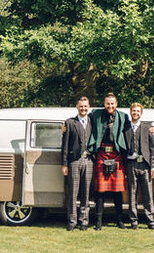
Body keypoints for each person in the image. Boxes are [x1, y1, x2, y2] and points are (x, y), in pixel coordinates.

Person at [87, 92, 129, 230]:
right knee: (100, 190)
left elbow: (133, 128)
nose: (110, 106)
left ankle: (119, 221)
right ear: (104, 104)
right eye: (107, 104)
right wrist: (66, 125)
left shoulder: (123, 117)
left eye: (112, 104)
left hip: (116, 154)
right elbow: (81, 120)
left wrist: (150, 128)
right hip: (101, 153)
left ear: (116, 104)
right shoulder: (95, 114)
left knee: (117, 190)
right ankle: (98, 222)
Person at [61, 95, 93, 231]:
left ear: (89, 107)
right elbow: (65, 145)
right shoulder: (69, 123)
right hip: (74, 161)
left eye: (85, 106)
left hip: (89, 160)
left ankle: (84, 222)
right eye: (81, 106)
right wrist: (64, 164)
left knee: (86, 193)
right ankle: (72, 221)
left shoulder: (93, 121)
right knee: (73, 193)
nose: (83, 108)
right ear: (77, 107)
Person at [123, 102, 154, 229]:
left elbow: (153, 148)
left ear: (141, 113)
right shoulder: (125, 127)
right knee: (132, 194)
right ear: (130, 112)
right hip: (131, 164)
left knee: (148, 194)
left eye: (138, 111)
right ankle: (133, 221)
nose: (135, 113)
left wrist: (153, 166)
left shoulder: (147, 127)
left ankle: (151, 221)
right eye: (133, 111)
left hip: (145, 164)